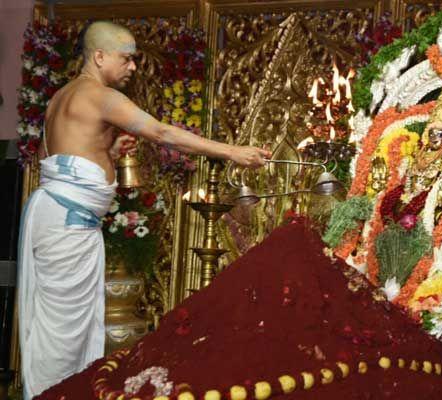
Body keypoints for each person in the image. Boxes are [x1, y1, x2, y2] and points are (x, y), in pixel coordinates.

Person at [17, 21, 271, 399]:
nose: (134, 67)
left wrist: (108, 153)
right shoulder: (100, 96)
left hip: (57, 216)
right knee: (63, 334)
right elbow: (162, 133)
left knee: (59, 327)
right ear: (99, 56)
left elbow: (52, 158)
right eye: (127, 59)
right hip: (67, 222)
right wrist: (232, 151)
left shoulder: (61, 97)